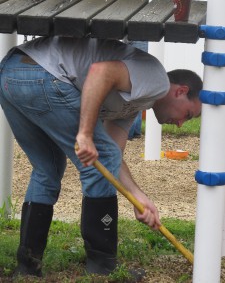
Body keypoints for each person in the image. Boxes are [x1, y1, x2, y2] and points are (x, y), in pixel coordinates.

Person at [0, 36, 202, 279]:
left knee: (47, 168)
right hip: (43, 73)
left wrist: (139, 197)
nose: (180, 124)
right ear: (181, 91)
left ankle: (27, 267)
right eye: (188, 115)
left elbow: (112, 156)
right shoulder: (157, 80)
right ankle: (103, 269)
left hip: (11, 72)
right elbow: (100, 72)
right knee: (94, 165)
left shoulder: (133, 103)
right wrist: (85, 134)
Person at [71, 0, 147, 140]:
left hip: (140, 28)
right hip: (124, 27)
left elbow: (111, 28)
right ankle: (125, 128)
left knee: (136, 79)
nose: (81, 2)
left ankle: (132, 130)